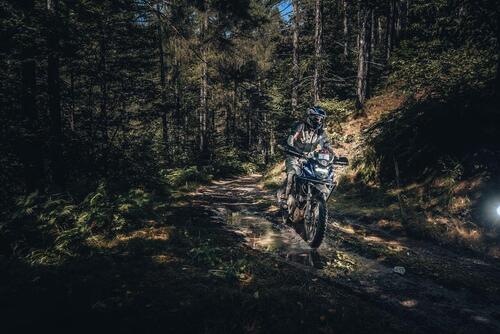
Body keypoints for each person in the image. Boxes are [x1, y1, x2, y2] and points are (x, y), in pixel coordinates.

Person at [281, 106, 334, 203]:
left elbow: (326, 144)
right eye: (316, 118)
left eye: (320, 119)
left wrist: (334, 155)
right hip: (294, 155)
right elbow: (292, 137)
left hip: (309, 157)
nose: (318, 121)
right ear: (310, 117)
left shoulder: (321, 131)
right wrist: (290, 146)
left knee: (319, 176)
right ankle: (285, 196)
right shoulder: (300, 126)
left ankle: (314, 197)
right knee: (293, 173)